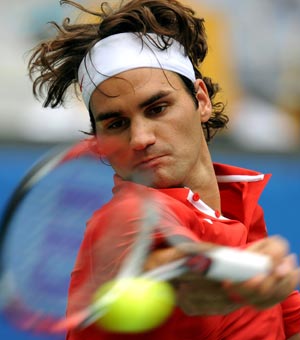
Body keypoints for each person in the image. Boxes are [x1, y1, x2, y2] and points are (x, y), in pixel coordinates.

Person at [28, 0, 300, 339]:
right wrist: (218, 279)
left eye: (157, 108)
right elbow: (167, 265)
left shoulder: (237, 207)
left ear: (201, 101)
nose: (140, 138)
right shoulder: (123, 221)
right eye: (116, 124)